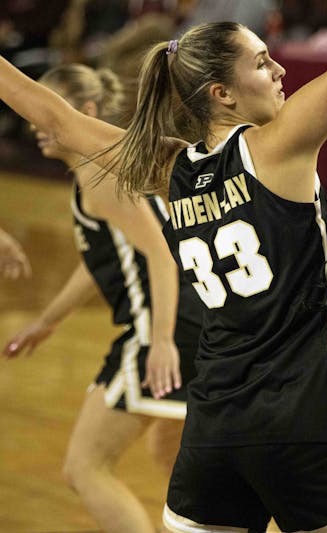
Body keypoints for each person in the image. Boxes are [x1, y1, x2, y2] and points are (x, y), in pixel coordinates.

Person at [0, 2, 327, 530]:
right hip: (305, 419)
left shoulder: (169, 169)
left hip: (213, 427)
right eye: (261, 63)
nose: (280, 70)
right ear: (222, 94)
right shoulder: (280, 145)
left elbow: (56, 119)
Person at [2, 64, 202, 533]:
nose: (35, 124)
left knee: (84, 466)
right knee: (171, 455)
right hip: (197, 325)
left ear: (85, 112)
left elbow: (160, 256)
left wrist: (160, 341)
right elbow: (101, 264)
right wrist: (47, 321)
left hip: (164, 327)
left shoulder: (99, 175)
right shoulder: (100, 171)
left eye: (43, 110)